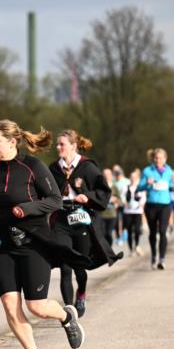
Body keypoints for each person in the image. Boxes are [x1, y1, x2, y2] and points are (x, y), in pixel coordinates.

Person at [0, 120, 90, 349]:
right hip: (1, 246)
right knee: (9, 304)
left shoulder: (32, 167)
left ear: (11, 141)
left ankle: (65, 316)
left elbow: (54, 201)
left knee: (36, 306)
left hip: (32, 244)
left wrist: (25, 210)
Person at [48, 130, 111, 319]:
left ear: (73, 146)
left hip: (81, 220)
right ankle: (69, 310)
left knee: (79, 266)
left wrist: (88, 197)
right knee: (65, 266)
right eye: (57, 144)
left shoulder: (87, 167)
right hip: (61, 219)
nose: (58, 147)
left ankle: (81, 295)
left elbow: (103, 191)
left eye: (62, 144)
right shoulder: (53, 169)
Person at [137, 148, 174, 270]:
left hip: (165, 205)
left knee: (163, 231)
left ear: (165, 159)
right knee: (153, 233)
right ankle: (154, 255)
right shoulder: (147, 171)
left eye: (160, 158)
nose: (158, 160)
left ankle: (162, 259)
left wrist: (173, 187)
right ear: (153, 158)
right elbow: (139, 187)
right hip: (151, 205)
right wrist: (147, 184)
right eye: (156, 158)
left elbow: (169, 185)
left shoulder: (169, 170)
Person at [122, 168, 146, 256]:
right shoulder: (126, 187)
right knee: (129, 231)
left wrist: (141, 204)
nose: (133, 179)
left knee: (137, 230)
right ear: (130, 178)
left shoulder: (140, 187)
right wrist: (124, 202)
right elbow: (122, 197)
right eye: (131, 177)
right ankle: (131, 250)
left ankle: (137, 245)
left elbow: (143, 197)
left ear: (137, 178)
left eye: (134, 177)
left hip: (137, 212)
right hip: (128, 212)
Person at [100, 168, 120, 247]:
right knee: (103, 234)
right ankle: (105, 250)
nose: (106, 176)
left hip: (112, 214)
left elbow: (120, 199)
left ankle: (109, 248)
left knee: (108, 233)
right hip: (102, 214)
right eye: (104, 174)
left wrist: (116, 201)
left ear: (111, 175)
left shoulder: (114, 187)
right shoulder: (100, 186)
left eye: (108, 174)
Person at [112, 165, 130, 246]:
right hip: (116, 204)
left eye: (119, 174)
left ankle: (124, 231)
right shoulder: (113, 181)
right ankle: (119, 237)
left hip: (125, 204)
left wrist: (128, 201)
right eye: (116, 174)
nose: (118, 175)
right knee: (116, 221)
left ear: (122, 173)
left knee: (125, 220)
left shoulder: (127, 181)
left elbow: (130, 193)